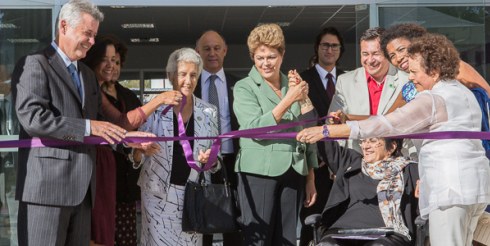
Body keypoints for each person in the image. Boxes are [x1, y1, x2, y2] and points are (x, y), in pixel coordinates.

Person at [297, 33, 490, 246]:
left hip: (450, 189)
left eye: (415, 72)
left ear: (434, 72)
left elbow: (387, 124)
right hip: (476, 188)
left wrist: (326, 132)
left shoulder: (432, 99)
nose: (410, 78)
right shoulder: (465, 93)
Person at [11, 0, 127, 245]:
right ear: (63, 26)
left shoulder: (87, 75)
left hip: (83, 194)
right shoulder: (34, 64)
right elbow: (33, 118)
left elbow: (102, 125)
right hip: (46, 194)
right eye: (87, 33)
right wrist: (87, 127)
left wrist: (134, 143)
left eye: (94, 35)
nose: (92, 41)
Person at [233, 23, 318, 245]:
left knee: (288, 239)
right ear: (253, 58)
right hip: (258, 172)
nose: (265, 63)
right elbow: (256, 129)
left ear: (282, 55)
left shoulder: (293, 84)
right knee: (258, 240)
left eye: (271, 56)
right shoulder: (244, 87)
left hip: (294, 170)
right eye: (260, 58)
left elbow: (307, 130)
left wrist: (310, 177)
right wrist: (290, 98)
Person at [134, 47, 218, 245]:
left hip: (192, 197)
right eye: (182, 74)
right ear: (170, 75)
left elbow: (216, 159)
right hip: (157, 197)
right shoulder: (153, 108)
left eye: (193, 75)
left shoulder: (209, 112)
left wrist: (211, 161)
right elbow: (135, 156)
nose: (188, 81)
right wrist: (139, 151)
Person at [328, 27, 414, 157]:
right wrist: (338, 164)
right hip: (357, 161)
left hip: (398, 159)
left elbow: (402, 122)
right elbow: (333, 125)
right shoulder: (345, 81)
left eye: (376, 53)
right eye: (365, 54)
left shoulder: (407, 80)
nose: (370, 60)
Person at [316, 138, 418, 246]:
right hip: (342, 230)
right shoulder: (352, 161)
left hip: (388, 234)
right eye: (363, 141)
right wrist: (326, 126)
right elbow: (324, 145)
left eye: (373, 141)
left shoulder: (409, 169)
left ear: (392, 147)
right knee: (328, 244)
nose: (365, 146)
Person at [194, 30, 242, 246]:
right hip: (198, 162)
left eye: (216, 48)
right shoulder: (189, 87)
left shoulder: (240, 86)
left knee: (235, 222)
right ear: (198, 53)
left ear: (225, 51)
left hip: (234, 162)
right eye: (206, 49)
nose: (212, 53)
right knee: (202, 223)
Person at [299, 26, 346, 246]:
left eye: (334, 45)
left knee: (343, 222)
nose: (329, 50)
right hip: (315, 164)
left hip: (345, 163)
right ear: (317, 49)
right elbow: (303, 122)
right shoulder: (302, 80)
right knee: (313, 223)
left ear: (340, 50)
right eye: (325, 45)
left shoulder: (349, 80)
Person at [380, 22, 490, 99]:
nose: (398, 58)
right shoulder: (410, 87)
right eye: (392, 56)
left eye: (401, 49)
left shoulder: (455, 67)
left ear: (417, 44)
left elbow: (486, 95)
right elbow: (391, 118)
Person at [104, 37, 141, 246]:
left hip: (125, 186)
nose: (112, 67)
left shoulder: (130, 97)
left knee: (127, 241)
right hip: (100, 185)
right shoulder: (92, 95)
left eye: (117, 62)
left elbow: (140, 130)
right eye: (107, 61)